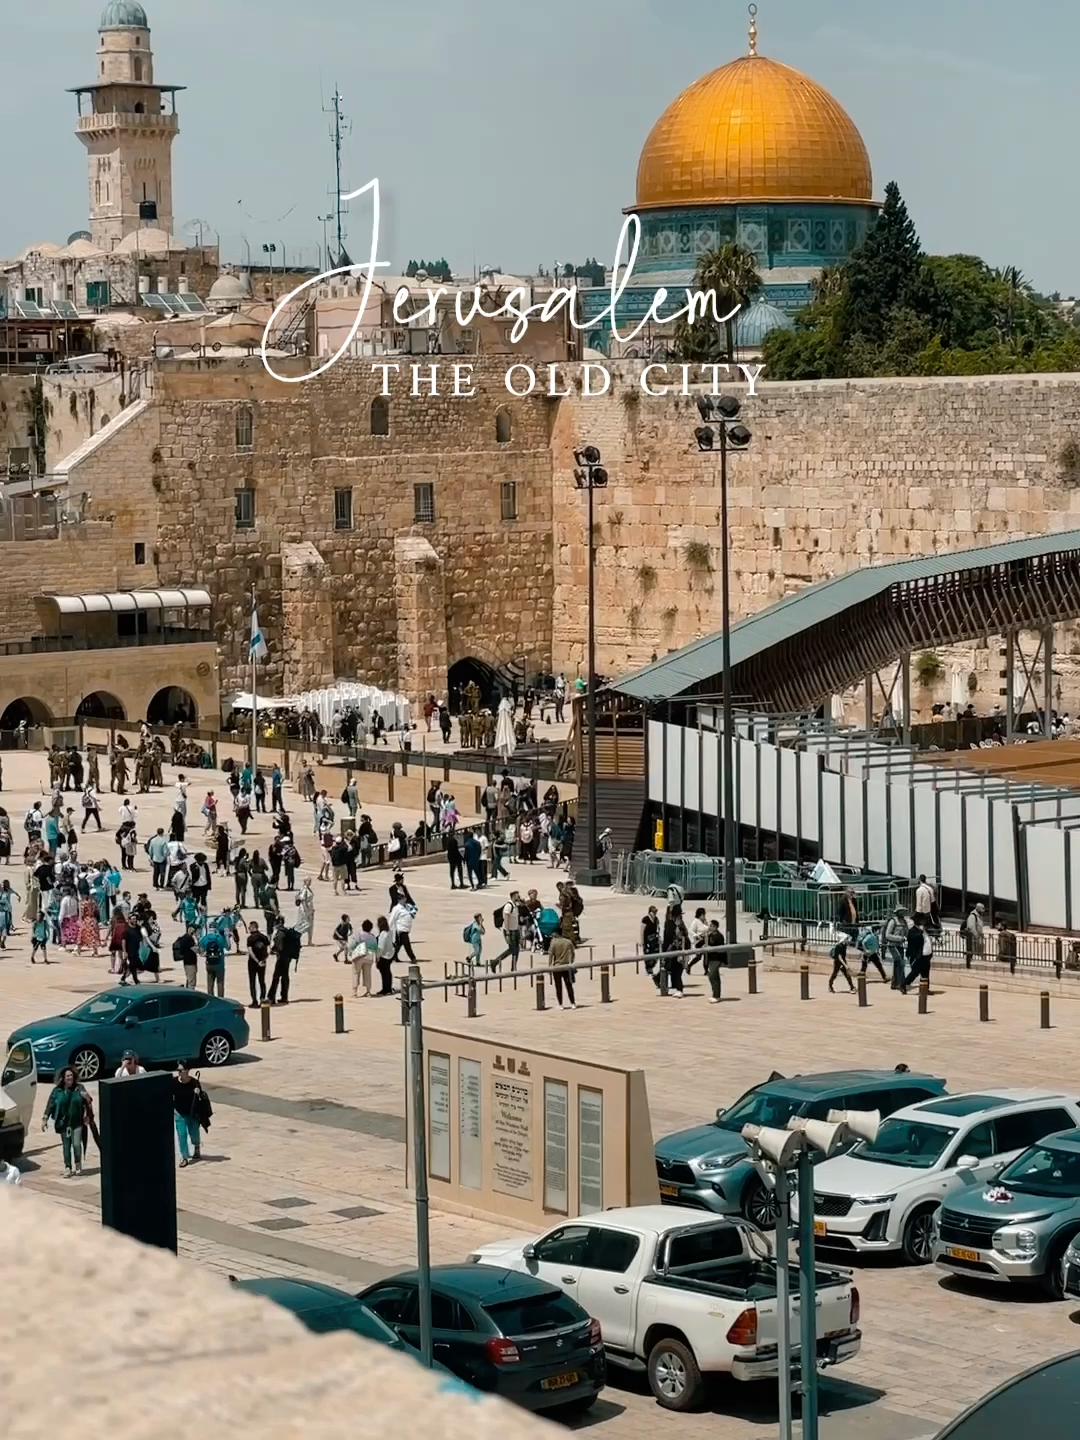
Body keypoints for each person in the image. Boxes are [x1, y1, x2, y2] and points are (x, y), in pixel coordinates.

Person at [42, 1066, 89, 1177]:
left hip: (77, 1122)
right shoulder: (57, 1091)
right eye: (67, 1076)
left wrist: (86, 1099)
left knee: (77, 1144)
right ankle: (68, 1167)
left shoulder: (79, 1088)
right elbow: (50, 1105)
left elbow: (87, 1103)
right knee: (66, 1146)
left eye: (71, 1075)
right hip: (63, 1124)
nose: (70, 1078)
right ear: (63, 1078)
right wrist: (45, 1119)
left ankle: (78, 1165)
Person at [172, 1060, 203, 1167]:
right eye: (178, 1070)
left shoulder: (194, 1083)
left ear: (187, 1070)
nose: (179, 1072)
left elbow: (202, 1098)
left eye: (181, 1070)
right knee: (182, 1134)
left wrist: (198, 1093)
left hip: (192, 1112)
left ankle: (197, 1146)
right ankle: (184, 1157)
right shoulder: (174, 1082)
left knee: (193, 1132)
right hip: (179, 1112)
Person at [489, 892, 522, 971]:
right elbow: (506, 919)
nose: (519, 897)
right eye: (518, 895)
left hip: (515, 930)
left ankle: (513, 967)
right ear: (513, 896)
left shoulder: (515, 906)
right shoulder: (508, 906)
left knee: (516, 949)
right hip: (510, 931)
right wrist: (507, 932)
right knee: (512, 949)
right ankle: (495, 962)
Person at [549, 929, 577, 1009]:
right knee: (569, 985)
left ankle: (560, 1004)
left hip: (557, 967)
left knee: (558, 987)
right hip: (567, 966)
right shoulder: (568, 942)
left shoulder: (554, 943)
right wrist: (571, 962)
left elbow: (551, 956)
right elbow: (573, 953)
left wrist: (549, 966)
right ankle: (573, 1003)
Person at [903, 917, 932, 995]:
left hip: (926, 955)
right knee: (915, 972)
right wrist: (917, 956)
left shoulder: (922, 931)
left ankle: (925, 988)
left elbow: (927, 942)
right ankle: (904, 984)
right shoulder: (913, 931)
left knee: (925, 973)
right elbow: (914, 943)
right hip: (918, 956)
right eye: (922, 921)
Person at [883, 906, 909, 990]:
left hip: (900, 946)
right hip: (893, 945)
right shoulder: (893, 921)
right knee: (901, 962)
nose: (902, 913)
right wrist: (899, 938)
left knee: (897, 964)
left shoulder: (904, 921)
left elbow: (906, 933)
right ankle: (901, 983)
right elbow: (887, 935)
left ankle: (894, 983)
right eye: (901, 911)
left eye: (903, 911)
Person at [349, 919, 377, 997]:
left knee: (356, 973)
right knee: (368, 974)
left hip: (359, 957)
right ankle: (368, 991)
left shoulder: (359, 935)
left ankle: (355, 992)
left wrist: (350, 952)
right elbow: (375, 948)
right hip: (369, 957)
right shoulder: (372, 937)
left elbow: (352, 945)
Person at [704, 917, 727, 1003]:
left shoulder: (719, 936)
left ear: (715, 927)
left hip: (717, 958)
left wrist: (711, 948)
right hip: (711, 958)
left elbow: (721, 949)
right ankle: (715, 993)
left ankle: (716, 995)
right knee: (712, 976)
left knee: (713, 974)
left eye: (711, 926)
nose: (709, 927)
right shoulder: (709, 935)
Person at [246, 921, 269, 1007]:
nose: (249, 929)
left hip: (252, 963)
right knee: (262, 981)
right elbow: (269, 949)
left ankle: (254, 1001)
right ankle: (262, 998)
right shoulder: (264, 937)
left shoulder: (250, 938)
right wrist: (263, 960)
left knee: (252, 982)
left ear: (253, 927)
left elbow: (250, 951)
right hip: (262, 962)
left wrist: (256, 961)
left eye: (249, 928)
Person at [389, 894, 417, 962]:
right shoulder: (396, 908)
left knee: (398, 944)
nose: (405, 900)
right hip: (401, 929)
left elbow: (413, 913)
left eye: (405, 898)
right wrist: (387, 929)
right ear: (399, 900)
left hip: (407, 928)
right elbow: (392, 919)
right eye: (403, 899)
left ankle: (394, 956)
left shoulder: (407, 906)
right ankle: (413, 958)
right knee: (407, 944)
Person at [374, 915, 395, 995]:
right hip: (390, 954)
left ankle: (386, 989)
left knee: (384, 973)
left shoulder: (383, 934)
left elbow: (380, 947)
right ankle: (388, 987)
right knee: (388, 972)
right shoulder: (390, 932)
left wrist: (377, 957)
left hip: (384, 956)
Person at [203, 928, 226, 997]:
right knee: (220, 982)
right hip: (219, 963)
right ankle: (221, 1000)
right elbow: (227, 947)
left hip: (209, 963)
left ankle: (211, 999)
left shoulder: (205, 938)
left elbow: (201, 948)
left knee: (210, 984)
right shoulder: (220, 938)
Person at [687, 906, 709, 973]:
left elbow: (707, 929)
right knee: (698, 957)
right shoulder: (696, 921)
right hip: (699, 941)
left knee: (706, 955)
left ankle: (706, 969)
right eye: (703, 914)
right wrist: (696, 935)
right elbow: (690, 930)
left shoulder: (705, 922)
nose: (704, 916)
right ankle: (689, 965)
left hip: (705, 940)